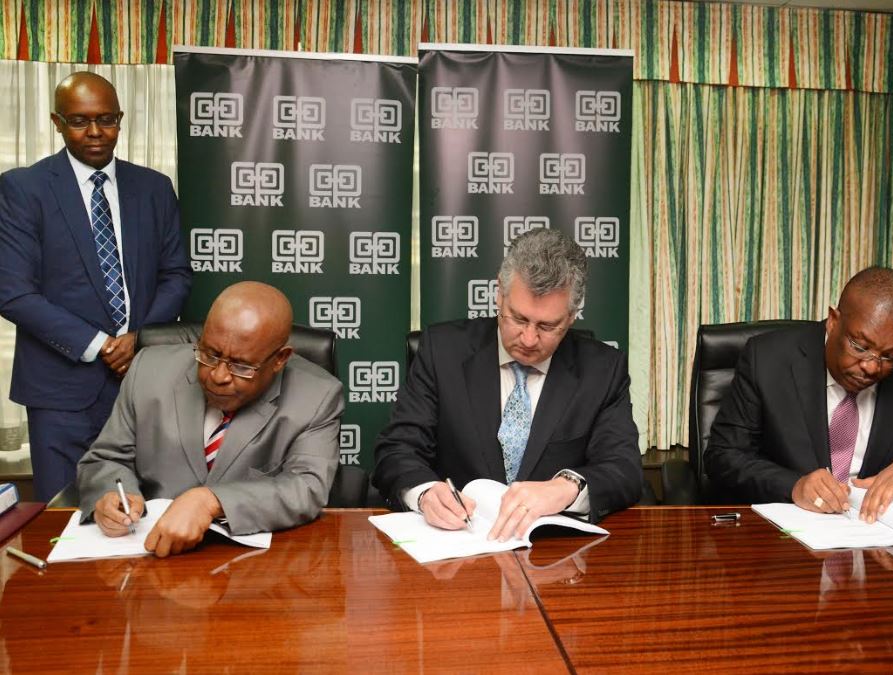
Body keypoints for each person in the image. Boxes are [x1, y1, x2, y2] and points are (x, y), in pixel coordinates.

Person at [373, 228, 643, 541]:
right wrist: (424, 493)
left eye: (547, 326)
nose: (529, 339)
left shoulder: (602, 370)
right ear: (499, 294)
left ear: (571, 317)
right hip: (457, 549)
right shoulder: (442, 351)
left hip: (554, 556)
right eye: (518, 318)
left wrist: (567, 486)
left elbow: (624, 469)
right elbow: (397, 449)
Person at [0, 71, 191, 502]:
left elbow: (176, 275)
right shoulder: (23, 189)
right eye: (79, 121)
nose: (95, 132)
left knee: (143, 512)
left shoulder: (154, 188)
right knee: (64, 516)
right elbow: (13, 291)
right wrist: (101, 344)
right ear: (57, 122)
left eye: (106, 119)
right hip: (60, 389)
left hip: (143, 380)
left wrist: (138, 339)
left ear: (120, 119)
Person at [705, 266, 893, 522]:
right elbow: (724, 457)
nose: (871, 366)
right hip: (785, 546)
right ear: (834, 321)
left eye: (891, 355)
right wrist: (793, 486)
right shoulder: (768, 359)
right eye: (860, 346)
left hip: (881, 552)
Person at [77, 281, 345, 557]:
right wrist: (111, 496)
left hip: (254, 567)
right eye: (210, 354)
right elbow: (106, 459)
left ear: (280, 359)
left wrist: (212, 501)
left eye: (241, 366)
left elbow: (307, 486)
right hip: (148, 554)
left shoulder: (317, 395)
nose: (218, 375)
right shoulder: (148, 370)